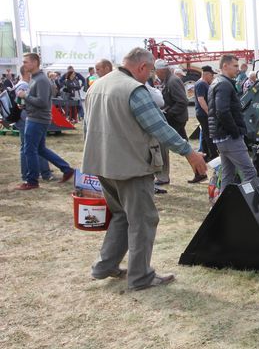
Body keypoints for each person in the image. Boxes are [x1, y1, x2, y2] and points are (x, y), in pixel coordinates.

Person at [83, 47, 206, 290]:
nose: (151, 76)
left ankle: (104, 266)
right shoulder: (134, 90)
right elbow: (159, 127)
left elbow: (88, 128)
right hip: (129, 166)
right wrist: (189, 152)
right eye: (150, 71)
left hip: (101, 164)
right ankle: (140, 277)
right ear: (141, 67)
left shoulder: (97, 85)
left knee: (120, 215)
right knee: (143, 220)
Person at [14, 53, 74, 190]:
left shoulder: (40, 80)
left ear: (35, 62)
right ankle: (66, 169)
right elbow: (40, 101)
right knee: (40, 149)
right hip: (37, 117)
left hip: (37, 119)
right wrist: (25, 104)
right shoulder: (36, 78)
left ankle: (32, 181)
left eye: (26, 62)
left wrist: (25, 96)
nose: (24, 64)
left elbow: (42, 102)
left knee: (30, 150)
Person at [209, 54, 257, 193]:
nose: (238, 69)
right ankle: (248, 205)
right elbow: (222, 111)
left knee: (228, 175)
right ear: (225, 66)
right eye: (235, 66)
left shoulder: (218, 82)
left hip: (223, 137)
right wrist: (235, 131)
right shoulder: (223, 84)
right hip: (229, 137)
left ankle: (224, 209)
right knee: (250, 173)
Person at [13, 65, 54, 183]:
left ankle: (31, 174)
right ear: (26, 72)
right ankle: (40, 174)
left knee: (30, 147)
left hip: (25, 118)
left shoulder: (22, 84)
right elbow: (39, 102)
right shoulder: (25, 85)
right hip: (29, 118)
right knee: (33, 148)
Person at [154, 59, 189, 185]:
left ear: (161, 70)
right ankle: (199, 172)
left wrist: (168, 113)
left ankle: (163, 177)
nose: (156, 74)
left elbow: (182, 102)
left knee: (164, 146)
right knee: (185, 146)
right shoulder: (169, 80)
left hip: (176, 119)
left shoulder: (173, 81)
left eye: (156, 71)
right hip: (176, 118)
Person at [190, 66, 217, 179]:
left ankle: (206, 154)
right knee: (208, 134)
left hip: (204, 113)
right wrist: (209, 113)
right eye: (211, 75)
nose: (212, 77)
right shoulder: (201, 84)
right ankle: (213, 155)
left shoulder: (204, 84)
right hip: (203, 113)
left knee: (207, 134)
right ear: (206, 74)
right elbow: (201, 100)